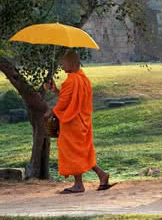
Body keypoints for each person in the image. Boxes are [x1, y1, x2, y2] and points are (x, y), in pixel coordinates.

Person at [44, 51, 115, 194]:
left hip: (72, 122)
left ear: (71, 63)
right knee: (83, 151)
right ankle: (102, 175)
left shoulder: (71, 80)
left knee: (73, 151)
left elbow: (64, 102)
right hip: (83, 121)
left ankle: (78, 185)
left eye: (63, 63)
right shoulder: (84, 79)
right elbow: (72, 97)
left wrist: (51, 112)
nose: (62, 66)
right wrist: (56, 90)